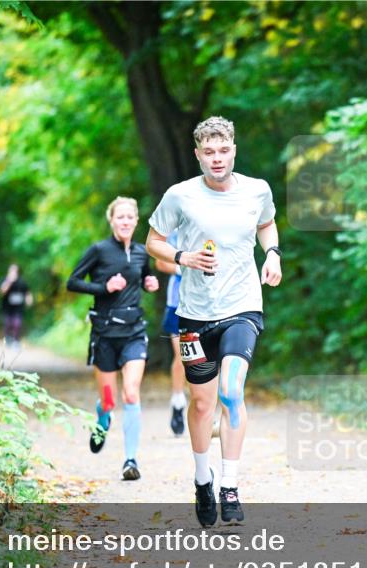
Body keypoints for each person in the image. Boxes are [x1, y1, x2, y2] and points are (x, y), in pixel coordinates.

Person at [146, 116, 282, 527]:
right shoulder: (180, 196)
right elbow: (153, 242)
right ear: (198, 155)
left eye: (223, 151)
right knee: (202, 403)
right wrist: (183, 257)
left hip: (242, 306)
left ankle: (230, 484)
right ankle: (203, 479)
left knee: (230, 391)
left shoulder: (257, 190)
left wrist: (273, 253)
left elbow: (266, 223)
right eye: (209, 152)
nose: (217, 158)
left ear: (234, 150)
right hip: (194, 313)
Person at [67, 196, 160, 481]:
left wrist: (150, 282)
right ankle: (103, 418)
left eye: (130, 217)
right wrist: (104, 287)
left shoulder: (143, 252)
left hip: (134, 331)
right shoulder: (99, 250)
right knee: (109, 401)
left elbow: (145, 277)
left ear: (136, 221)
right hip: (105, 334)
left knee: (131, 393)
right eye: (120, 217)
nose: (125, 222)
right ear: (112, 220)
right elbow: (73, 282)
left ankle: (131, 460)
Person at [153, 229, 189, 435]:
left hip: (207, 303)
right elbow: (160, 262)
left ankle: (204, 408)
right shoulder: (176, 230)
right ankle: (178, 401)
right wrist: (183, 269)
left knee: (206, 357)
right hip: (177, 302)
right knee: (183, 354)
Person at [0, 264, 32, 347]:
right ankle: (7, 338)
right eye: (11, 271)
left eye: (15, 271)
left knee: (17, 324)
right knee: (7, 324)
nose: (13, 273)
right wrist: (9, 281)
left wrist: (29, 300)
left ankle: (16, 341)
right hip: (7, 308)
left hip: (18, 308)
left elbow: (27, 292)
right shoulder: (5, 280)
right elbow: (2, 291)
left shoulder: (22, 282)